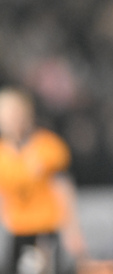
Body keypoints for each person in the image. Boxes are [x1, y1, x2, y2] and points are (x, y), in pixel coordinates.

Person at [0, 87, 84, 274]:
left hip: (43, 229)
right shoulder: (3, 153)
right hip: (16, 230)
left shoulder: (47, 146)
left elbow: (63, 188)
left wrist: (72, 231)